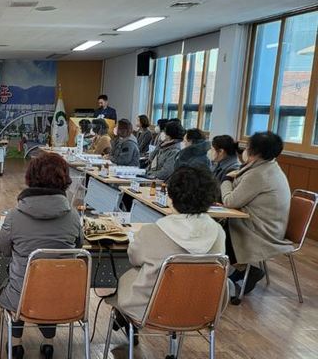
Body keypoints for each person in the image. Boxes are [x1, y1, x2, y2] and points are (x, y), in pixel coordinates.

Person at [109, 167, 226, 328]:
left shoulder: (153, 231)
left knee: (130, 274)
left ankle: (124, 318)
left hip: (150, 310)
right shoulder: (218, 232)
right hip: (201, 309)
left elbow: (133, 258)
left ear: (170, 197)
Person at [0, 153, 82, 359]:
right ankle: (49, 344)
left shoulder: (15, 216)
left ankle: (15, 345)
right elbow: (79, 248)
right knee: (52, 281)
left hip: (22, 296)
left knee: (22, 287)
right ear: (64, 179)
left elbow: (3, 249)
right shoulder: (73, 216)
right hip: (64, 297)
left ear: (30, 177)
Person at [220, 131, 293, 296]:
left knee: (216, 233)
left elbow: (230, 201)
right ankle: (242, 268)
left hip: (260, 230)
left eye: (248, 146)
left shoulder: (259, 174)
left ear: (255, 151)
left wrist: (226, 180)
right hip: (262, 223)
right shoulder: (267, 166)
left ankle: (248, 268)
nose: (245, 149)